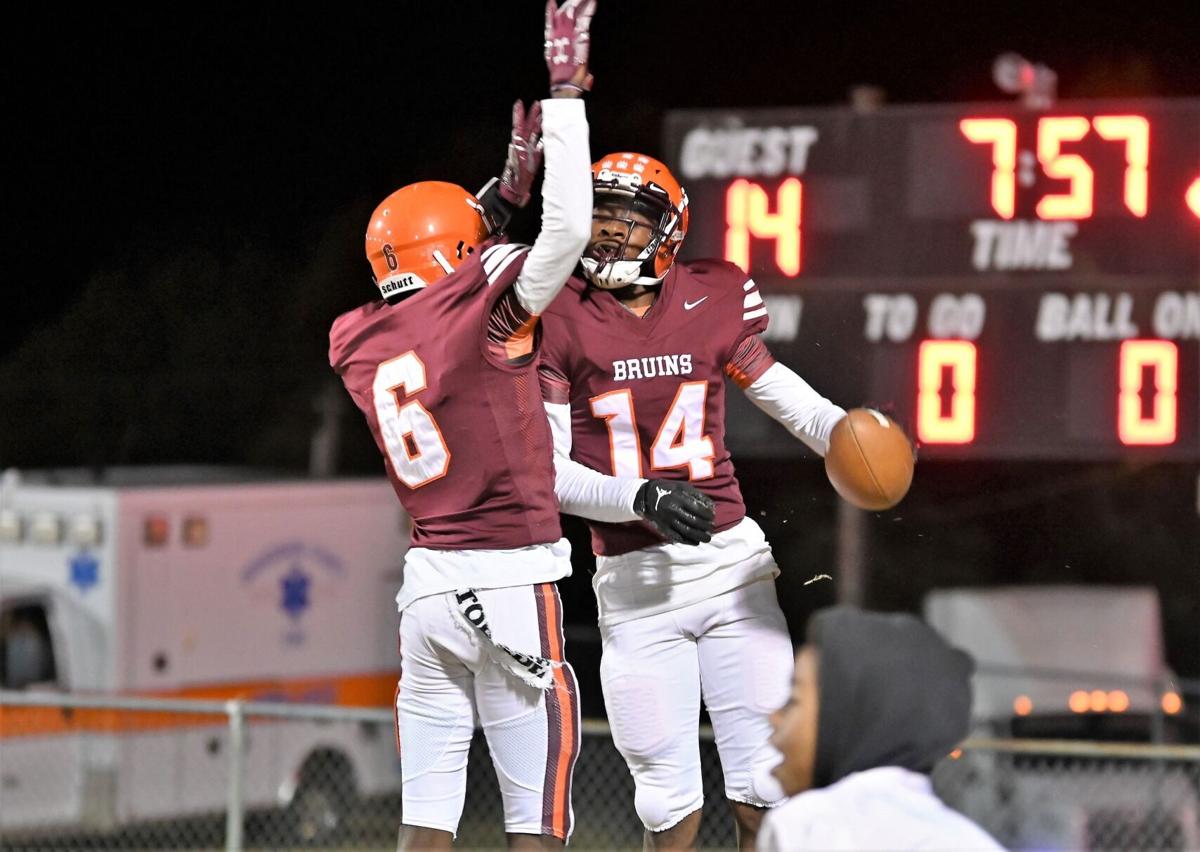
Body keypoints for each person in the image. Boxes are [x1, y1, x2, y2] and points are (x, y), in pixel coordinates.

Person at [328, 3, 595, 847]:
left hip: (428, 590)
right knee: (536, 823)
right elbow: (570, 231)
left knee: (425, 824)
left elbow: (435, 268)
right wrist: (566, 97)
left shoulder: (355, 338)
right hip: (510, 581)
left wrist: (497, 196)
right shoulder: (485, 308)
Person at [537, 153, 847, 850]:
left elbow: (778, 392)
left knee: (765, 791)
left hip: (733, 569)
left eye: (629, 217)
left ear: (668, 231)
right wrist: (641, 496)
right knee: (667, 807)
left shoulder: (714, 294)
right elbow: (548, 472)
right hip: (635, 587)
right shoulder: (559, 313)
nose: (610, 231)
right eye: (602, 214)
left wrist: (844, 433)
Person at [759, 605, 1003, 851]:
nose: (773, 718)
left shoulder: (809, 826)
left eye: (793, 700)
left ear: (846, 717)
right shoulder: (973, 842)